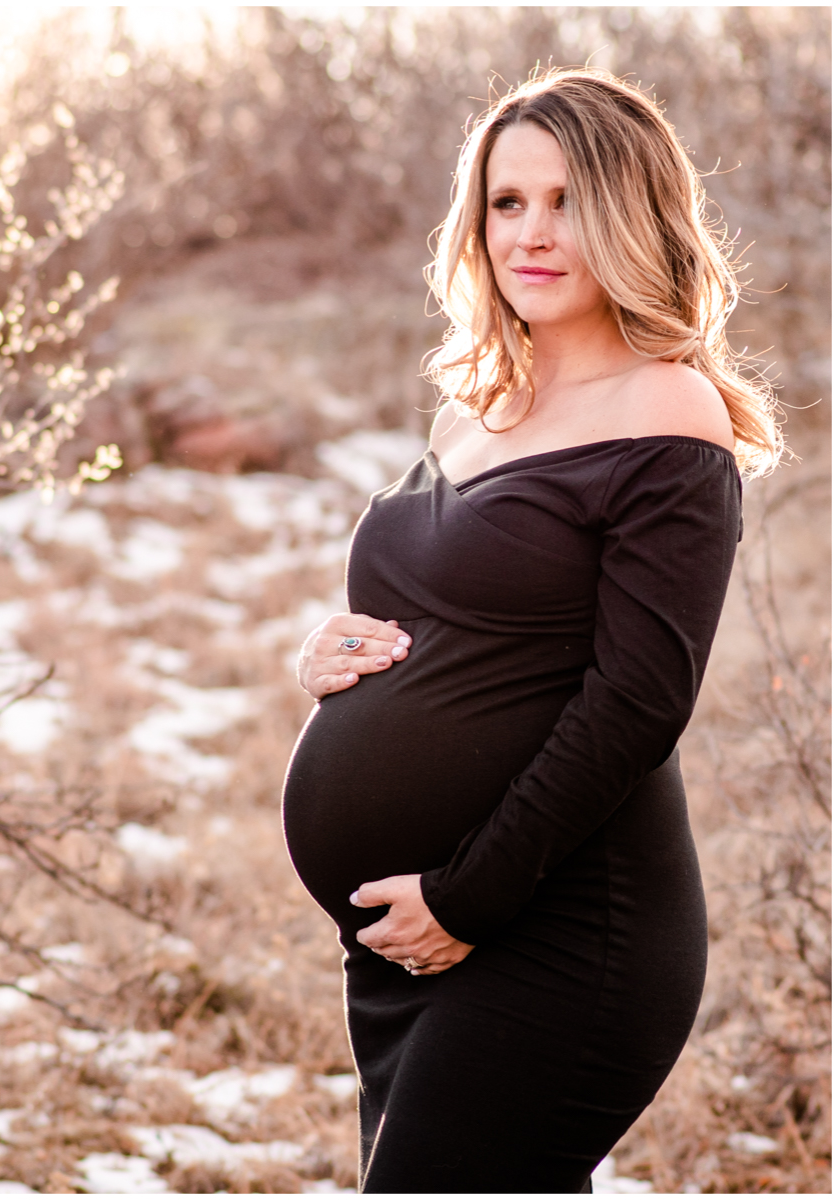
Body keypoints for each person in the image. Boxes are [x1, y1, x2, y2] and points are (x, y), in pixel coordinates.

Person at [281, 68, 781, 1193]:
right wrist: (326, 658)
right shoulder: (477, 405)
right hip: (411, 939)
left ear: (630, 215)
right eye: (508, 203)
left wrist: (467, 897)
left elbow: (641, 698)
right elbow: (446, 613)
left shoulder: (667, 410)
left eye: (567, 201)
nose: (533, 233)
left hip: (555, 925)